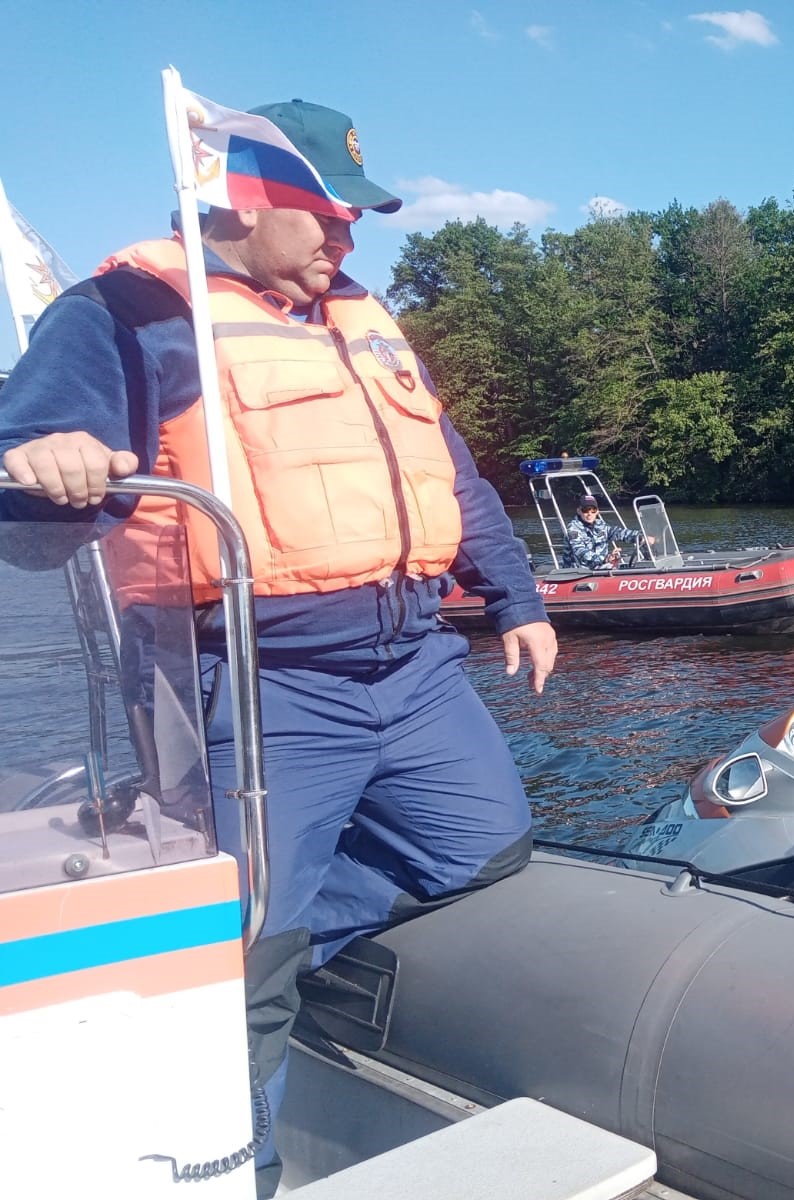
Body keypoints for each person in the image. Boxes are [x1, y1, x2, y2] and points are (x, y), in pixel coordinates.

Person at [0, 99, 555, 1197]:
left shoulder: (363, 317)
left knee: (485, 846)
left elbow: (453, 477)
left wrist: (516, 598)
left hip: (410, 666)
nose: (350, 239)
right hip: (249, 682)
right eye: (330, 215)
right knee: (242, 961)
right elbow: (28, 494)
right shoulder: (128, 311)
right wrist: (49, 462)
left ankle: (267, 954)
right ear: (244, 200)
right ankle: (235, 1153)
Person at [563, 493, 653, 568]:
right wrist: (605, 559)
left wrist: (640, 536)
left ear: (597, 512)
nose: (589, 514)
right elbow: (580, 551)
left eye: (593, 510)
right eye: (585, 510)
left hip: (599, 568)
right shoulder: (573, 529)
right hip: (578, 572)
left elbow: (618, 532)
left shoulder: (600, 525)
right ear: (579, 511)